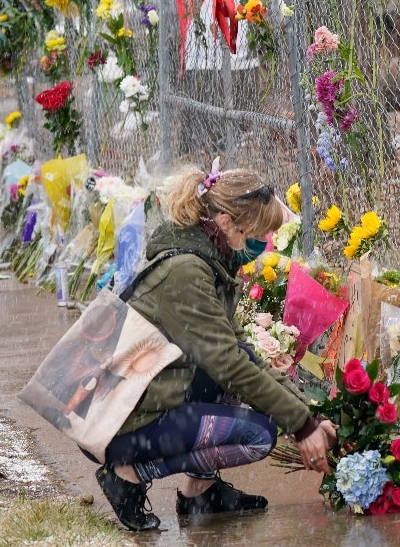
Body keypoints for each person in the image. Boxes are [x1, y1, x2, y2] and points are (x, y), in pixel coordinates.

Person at [91, 166, 336, 531]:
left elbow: (243, 354)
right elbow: (231, 366)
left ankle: (200, 492)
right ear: (226, 223)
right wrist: (300, 427)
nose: (263, 244)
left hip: (145, 399)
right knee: (258, 435)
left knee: (236, 383)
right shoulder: (187, 271)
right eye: (257, 233)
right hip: (119, 418)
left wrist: (310, 414)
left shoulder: (209, 262)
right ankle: (126, 473)